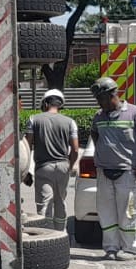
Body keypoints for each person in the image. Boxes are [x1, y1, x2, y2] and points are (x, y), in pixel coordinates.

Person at [90, 77, 136, 260]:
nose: (99, 103)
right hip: (104, 172)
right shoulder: (98, 116)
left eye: (100, 99)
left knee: (129, 213)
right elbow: (95, 134)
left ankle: (130, 249)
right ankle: (110, 248)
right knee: (106, 212)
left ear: (112, 95)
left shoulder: (135, 113)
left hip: (127, 172)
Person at [27, 88, 80, 229]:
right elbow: (75, 150)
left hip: (43, 168)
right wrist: (70, 165)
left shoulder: (34, 119)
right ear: (60, 104)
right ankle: (61, 234)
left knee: (44, 203)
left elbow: (27, 146)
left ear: (45, 103)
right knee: (60, 201)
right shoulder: (70, 122)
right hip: (63, 166)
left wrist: (26, 170)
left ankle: (46, 234)